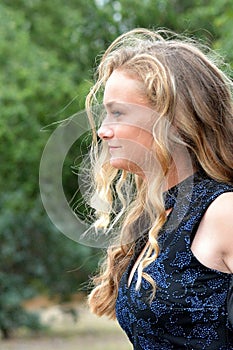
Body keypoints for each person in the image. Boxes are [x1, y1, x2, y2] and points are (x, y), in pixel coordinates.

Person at [85, 28, 233, 349]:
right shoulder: (160, 215)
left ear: (172, 119)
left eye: (118, 113)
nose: (102, 130)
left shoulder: (223, 212)